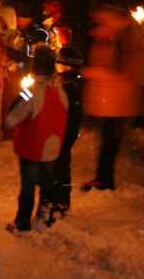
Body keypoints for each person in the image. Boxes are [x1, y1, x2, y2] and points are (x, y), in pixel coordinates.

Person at [80, 4, 144, 191]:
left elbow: (123, 69)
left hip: (116, 100)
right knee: (108, 139)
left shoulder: (121, 35)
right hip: (109, 99)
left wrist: (93, 73)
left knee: (110, 140)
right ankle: (103, 176)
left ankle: (105, 178)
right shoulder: (109, 33)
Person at [5, 46, 69, 232]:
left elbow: (11, 119)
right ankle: (45, 217)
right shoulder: (60, 92)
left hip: (32, 147)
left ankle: (22, 222)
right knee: (47, 184)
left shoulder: (30, 92)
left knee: (28, 188)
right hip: (52, 148)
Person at [49, 46, 85, 221]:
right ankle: (61, 202)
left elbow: (66, 116)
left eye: (59, 61)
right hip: (62, 137)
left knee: (57, 171)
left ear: (68, 66)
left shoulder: (67, 89)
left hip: (60, 137)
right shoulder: (65, 85)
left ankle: (57, 204)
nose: (56, 64)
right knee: (61, 170)